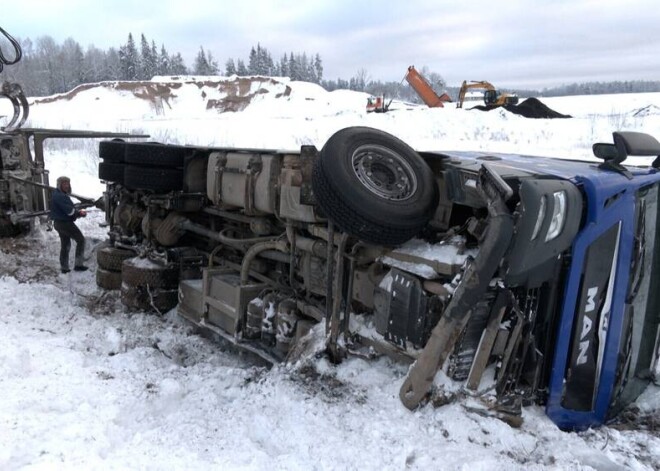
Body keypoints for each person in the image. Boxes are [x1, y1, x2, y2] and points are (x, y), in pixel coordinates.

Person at [50, 176, 88, 273]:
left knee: (65, 244)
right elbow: (70, 211)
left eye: (68, 183)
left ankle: (64, 267)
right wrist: (79, 213)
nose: (67, 186)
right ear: (59, 185)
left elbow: (69, 209)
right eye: (64, 183)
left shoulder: (59, 194)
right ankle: (79, 265)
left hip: (59, 223)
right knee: (81, 240)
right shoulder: (60, 196)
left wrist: (76, 211)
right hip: (64, 223)